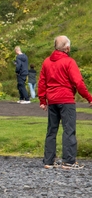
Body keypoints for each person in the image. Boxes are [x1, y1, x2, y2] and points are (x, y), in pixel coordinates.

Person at [39, 35, 92, 170]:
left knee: (51, 130)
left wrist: (42, 100)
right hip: (66, 99)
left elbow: (42, 82)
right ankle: (68, 161)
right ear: (67, 48)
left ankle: (48, 160)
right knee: (68, 130)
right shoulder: (69, 62)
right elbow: (78, 82)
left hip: (52, 100)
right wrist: (89, 97)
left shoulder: (46, 62)